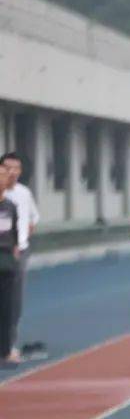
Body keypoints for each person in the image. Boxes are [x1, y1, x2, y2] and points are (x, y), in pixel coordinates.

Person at [0, 153, 39, 362]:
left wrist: (20, 243)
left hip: (16, 254)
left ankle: (8, 345)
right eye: (7, 168)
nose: (11, 172)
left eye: (15, 168)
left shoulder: (23, 194)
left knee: (12, 303)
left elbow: (32, 219)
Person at [0, 160, 19, 366]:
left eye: (4, 176)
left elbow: (14, 233)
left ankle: (5, 350)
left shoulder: (10, 206)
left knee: (7, 310)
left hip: (6, 263)